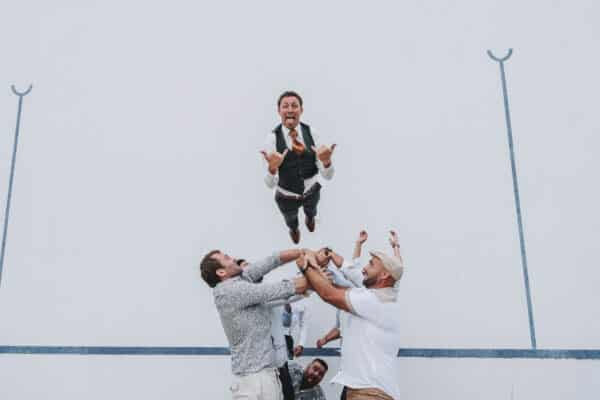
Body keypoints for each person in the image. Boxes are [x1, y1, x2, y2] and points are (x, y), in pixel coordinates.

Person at [297, 238, 404, 400]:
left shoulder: (375, 301)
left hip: (370, 393)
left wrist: (308, 265)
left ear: (383, 275)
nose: (364, 268)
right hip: (362, 390)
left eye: (371, 264)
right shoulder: (380, 293)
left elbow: (329, 294)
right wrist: (330, 255)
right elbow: (351, 270)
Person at [200, 249, 309, 400]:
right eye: (227, 258)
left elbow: (273, 259)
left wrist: (303, 252)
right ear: (221, 272)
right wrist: (314, 271)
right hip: (256, 382)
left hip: (262, 378)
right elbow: (284, 288)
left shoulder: (241, 280)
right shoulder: (232, 290)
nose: (233, 258)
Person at [261, 91, 336, 244]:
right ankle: (294, 228)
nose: (290, 110)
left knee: (312, 209)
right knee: (290, 219)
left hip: (311, 190)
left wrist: (326, 162)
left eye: (294, 106)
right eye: (285, 106)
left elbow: (327, 176)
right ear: (279, 111)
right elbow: (270, 184)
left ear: (301, 110)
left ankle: (310, 218)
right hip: (286, 195)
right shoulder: (272, 138)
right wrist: (272, 168)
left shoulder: (312, 133)